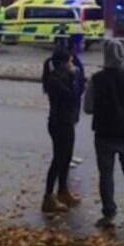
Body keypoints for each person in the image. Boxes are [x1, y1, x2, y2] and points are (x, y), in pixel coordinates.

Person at [84, 39, 124, 228]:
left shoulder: (96, 79)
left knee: (106, 175)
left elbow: (88, 108)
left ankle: (109, 213)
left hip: (103, 133)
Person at [41, 48, 82, 213]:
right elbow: (72, 97)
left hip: (66, 122)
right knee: (58, 159)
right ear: (63, 64)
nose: (72, 64)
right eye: (70, 62)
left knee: (66, 158)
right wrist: (73, 78)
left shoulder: (62, 77)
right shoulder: (55, 80)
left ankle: (63, 191)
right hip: (59, 124)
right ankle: (48, 197)